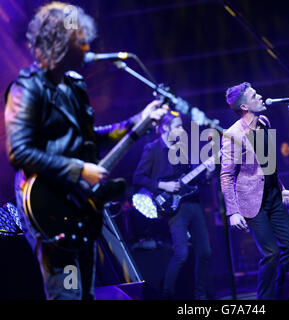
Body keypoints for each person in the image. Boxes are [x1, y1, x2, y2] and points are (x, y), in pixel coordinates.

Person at [4, 2, 165, 300]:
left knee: (85, 291)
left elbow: (89, 137)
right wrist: (79, 170)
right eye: (78, 39)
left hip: (78, 201)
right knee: (66, 292)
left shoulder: (75, 85)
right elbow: (21, 152)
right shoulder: (25, 88)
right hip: (44, 204)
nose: (86, 46)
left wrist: (138, 122)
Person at [220, 82, 289, 300]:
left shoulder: (264, 122)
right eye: (255, 95)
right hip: (251, 203)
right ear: (245, 106)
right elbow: (226, 175)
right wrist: (233, 211)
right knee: (271, 253)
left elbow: (268, 164)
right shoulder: (232, 135)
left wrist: (282, 189)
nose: (261, 96)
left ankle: (283, 294)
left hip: (273, 196)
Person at [133, 112, 214, 300]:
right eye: (177, 126)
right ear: (164, 128)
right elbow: (138, 177)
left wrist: (208, 173)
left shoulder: (183, 149)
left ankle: (200, 296)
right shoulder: (152, 149)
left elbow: (197, 178)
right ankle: (167, 295)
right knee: (182, 253)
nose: (181, 130)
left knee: (205, 252)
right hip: (173, 208)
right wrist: (163, 185)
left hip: (193, 203)